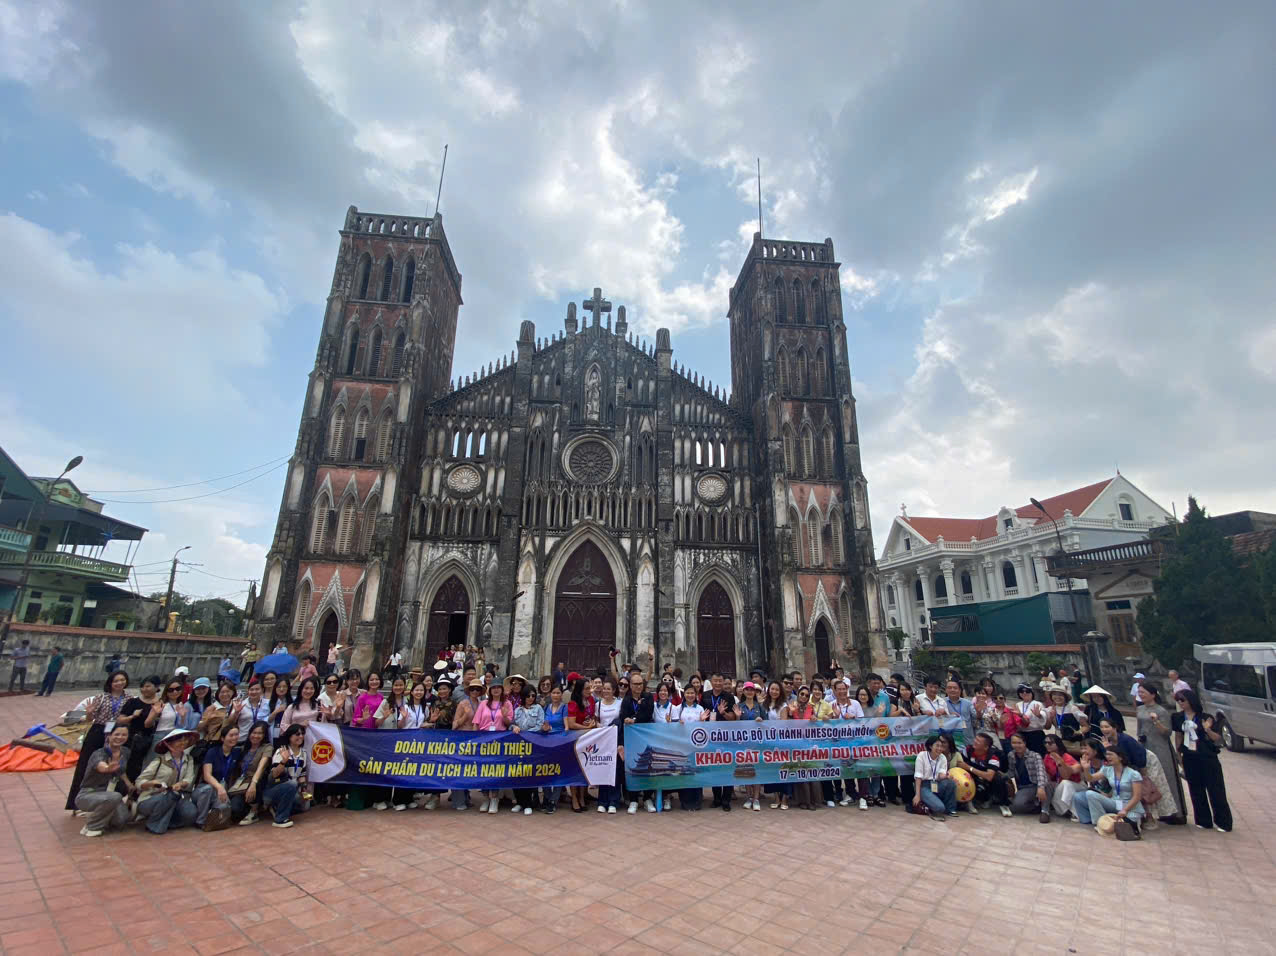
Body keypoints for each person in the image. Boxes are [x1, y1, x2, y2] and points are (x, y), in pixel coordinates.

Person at [1172, 689, 1232, 832]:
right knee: (1196, 789)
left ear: (1191, 700)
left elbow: (1217, 738)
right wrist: (1179, 757)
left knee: (1215, 789)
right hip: (1189, 756)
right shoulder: (1177, 717)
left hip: (1207, 756)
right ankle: (1203, 820)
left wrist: (1207, 730)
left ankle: (1223, 822)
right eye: (1178, 700)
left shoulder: (1205, 717)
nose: (1180, 703)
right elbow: (1178, 737)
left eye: (1183, 700)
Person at [1073, 740, 1144, 839]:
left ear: (1120, 757)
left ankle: (1112, 825)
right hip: (1114, 802)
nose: (1107, 757)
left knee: (1127, 825)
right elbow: (1090, 778)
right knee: (1090, 794)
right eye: (1106, 755)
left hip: (1130, 806)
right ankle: (1100, 823)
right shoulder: (1107, 769)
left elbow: (1137, 796)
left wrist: (1125, 810)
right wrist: (1086, 769)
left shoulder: (1133, 774)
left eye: (1110, 754)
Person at [135, 729, 200, 834]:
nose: (183, 743)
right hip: (151, 798)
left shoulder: (189, 760)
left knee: (191, 813)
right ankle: (154, 825)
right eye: (179, 741)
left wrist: (180, 784)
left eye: (185, 740)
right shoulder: (159, 760)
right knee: (169, 797)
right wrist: (153, 783)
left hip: (175, 797)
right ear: (169, 744)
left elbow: (188, 778)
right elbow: (139, 781)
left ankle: (165, 822)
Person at [74, 724, 136, 837]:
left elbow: (121, 771)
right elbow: (101, 766)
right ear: (109, 736)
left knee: (122, 820)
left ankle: (100, 814)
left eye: (124, 735)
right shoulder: (99, 753)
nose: (120, 737)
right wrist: (107, 768)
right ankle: (92, 826)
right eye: (116, 734)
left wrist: (129, 784)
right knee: (115, 796)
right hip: (88, 794)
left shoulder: (125, 752)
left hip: (108, 794)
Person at [1137, 683, 1185, 823]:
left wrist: (1156, 722)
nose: (1140, 694)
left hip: (1161, 747)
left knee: (1167, 778)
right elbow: (1139, 729)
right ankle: (1160, 812)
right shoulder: (1140, 709)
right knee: (1151, 779)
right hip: (1146, 746)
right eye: (1139, 692)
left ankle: (1176, 813)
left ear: (1152, 694)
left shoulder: (1161, 711)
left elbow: (1167, 732)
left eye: (1143, 692)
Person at [194, 724, 243, 830]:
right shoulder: (213, 752)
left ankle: (211, 818)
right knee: (208, 789)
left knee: (224, 807)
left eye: (236, 735)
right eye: (231, 735)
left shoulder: (236, 752)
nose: (234, 738)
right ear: (222, 738)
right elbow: (207, 775)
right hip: (205, 788)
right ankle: (200, 821)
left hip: (222, 789)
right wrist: (219, 787)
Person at [474, 682, 513, 814]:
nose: (496, 690)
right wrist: (474, 739)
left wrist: (505, 715)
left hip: (499, 739)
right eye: (493, 688)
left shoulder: (507, 703)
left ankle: (495, 798)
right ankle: (486, 798)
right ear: (489, 691)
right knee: (483, 769)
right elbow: (476, 723)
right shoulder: (483, 703)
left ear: (502, 690)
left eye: (498, 688)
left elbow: (509, 723)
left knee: (495, 769)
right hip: (484, 738)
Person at [619, 674, 655, 813]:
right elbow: (623, 716)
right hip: (631, 740)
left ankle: (647, 798)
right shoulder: (626, 700)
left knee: (648, 767)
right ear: (631, 685)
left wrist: (633, 720)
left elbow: (647, 714)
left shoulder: (648, 697)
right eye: (635, 684)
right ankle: (633, 799)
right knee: (632, 767)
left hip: (646, 738)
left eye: (640, 683)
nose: (638, 686)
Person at [511, 685, 547, 815]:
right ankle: (519, 802)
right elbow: (512, 723)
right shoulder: (518, 710)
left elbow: (539, 724)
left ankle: (528, 803)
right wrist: (514, 727)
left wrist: (526, 733)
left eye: (533, 695)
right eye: (528, 696)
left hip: (533, 744)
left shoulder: (538, 708)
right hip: (518, 746)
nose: (531, 698)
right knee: (516, 773)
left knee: (529, 773)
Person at [265, 724, 309, 828]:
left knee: (306, 805)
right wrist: (283, 761)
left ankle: (277, 808)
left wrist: (305, 792)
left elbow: (302, 775)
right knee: (292, 784)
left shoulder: (304, 753)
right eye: (297, 734)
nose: (301, 736)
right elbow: (274, 774)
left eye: (302, 733)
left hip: (293, 788)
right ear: (289, 736)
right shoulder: (281, 751)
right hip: (275, 788)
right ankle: (280, 819)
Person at [230, 720, 273, 824]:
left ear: (264, 735)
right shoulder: (244, 748)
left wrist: (253, 783)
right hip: (243, 782)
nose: (256, 736)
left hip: (258, 781)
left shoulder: (267, 747)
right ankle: (253, 807)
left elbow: (261, 767)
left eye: (260, 733)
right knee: (235, 809)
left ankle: (254, 812)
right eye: (254, 732)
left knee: (258, 781)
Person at [1004, 732, 1052, 822]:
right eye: (1014, 743)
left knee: (1046, 784)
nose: (1016, 745)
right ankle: (1036, 806)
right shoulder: (1011, 755)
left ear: (1025, 743)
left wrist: (1040, 788)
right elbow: (1011, 771)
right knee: (1015, 807)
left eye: (1019, 743)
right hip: (1023, 787)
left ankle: (1045, 811)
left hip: (1035, 784)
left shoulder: (1035, 756)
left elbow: (1041, 772)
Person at [593, 676, 624, 813]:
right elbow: (595, 720)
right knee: (603, 769)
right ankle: (602, 801)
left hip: (616, 740)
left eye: (608, 689)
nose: (605, 691)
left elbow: (621, 721)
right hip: (603, 741)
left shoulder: (620, 703)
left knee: (615, 771)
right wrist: (598, 725)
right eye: (604, 689)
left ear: (614, 690)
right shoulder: (598, 705)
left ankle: (613, 801)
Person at [787, 686, 820, 811]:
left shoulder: (811, 708)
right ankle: (802, 800)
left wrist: (814, 719)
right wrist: (791, 713)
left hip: (808, 744)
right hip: (795, 744)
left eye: (807, 695)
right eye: (802, 694)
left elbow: (816, 724)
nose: (804, 697)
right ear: (798, 694)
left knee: (810, 771)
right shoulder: (791, 706)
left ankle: (812, 800)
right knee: (800, 772)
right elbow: (786, 724)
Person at [965, 731, 1011, 816]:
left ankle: (1003, 804)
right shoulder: (968, 750)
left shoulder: (993, 757)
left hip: (988, 781)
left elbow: (989, 776)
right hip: (975, 778)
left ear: (986, 747)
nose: (975, 742)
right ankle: (968, 801)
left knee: (997, 778)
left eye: (978, 741)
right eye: (975, 739)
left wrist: (969, 768)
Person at [913, 735, 956, 821]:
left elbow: (940, 776)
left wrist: (946, 776)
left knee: (950, 783)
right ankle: (930, 803)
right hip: (923, 786)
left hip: (936, 784)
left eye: (941, 746)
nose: (939, 748)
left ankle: (950, 809)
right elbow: (918, 777)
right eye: (937, 746)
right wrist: (917, 795)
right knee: (940, 808)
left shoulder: (942, 757)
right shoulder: (922, 756)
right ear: (930, 746)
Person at [540, 683, 568, 814]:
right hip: (547, 743)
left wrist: (561, 736)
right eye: (554, 693)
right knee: (545, 771)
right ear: (550, 694)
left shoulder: (564, 708)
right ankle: (547, 797)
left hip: (559, 743)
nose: (556, 695)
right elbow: (543, 724)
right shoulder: (546, 707)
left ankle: (553, 800)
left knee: (558, 772)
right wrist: (545, 728)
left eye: (558, 693)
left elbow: (566, 727)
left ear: (561, 694)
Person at [1042, 734, 1082, 818]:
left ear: (1058, 744)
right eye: (1045, 743)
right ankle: (1045, 811)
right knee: (1047, 785)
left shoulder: (1066, 757)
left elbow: (1066, 776)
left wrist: (1060, 763)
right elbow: (1047, 775)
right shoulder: (1047, 757)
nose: (1047, 745)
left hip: (1074, 785)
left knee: (1065, 783)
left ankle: (1071, 811)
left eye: (1050, 743)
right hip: (1058, 784)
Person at [1014, 683, 1048, 755]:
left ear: (1032, 692)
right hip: (1022, 735)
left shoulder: (1037, 703)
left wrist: (1039, 715)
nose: (1024, 693)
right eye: (1021, 691)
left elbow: (1043, 715)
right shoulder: (1017, 704)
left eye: (1027, 691)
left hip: (1035, 734)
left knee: (1037, 755)